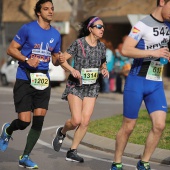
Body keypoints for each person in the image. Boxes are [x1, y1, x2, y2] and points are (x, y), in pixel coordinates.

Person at [0, 0, 61, 169]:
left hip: (43, 79)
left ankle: (25, 156)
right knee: (24, 121)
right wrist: (27, 59)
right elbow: (11, 49)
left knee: (39, 119)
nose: (50, 11)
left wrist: (59, 59)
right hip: (25, 78)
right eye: (46, 9)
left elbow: (55, 60)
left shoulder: (56, 34)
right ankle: (8, 130)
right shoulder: (27, 29)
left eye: (52, 9)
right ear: (39, 12)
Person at [110, 0, 170, 170]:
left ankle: (143, 162)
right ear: (162, 2)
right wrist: (153, 52)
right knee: (128, 126)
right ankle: (117, 162)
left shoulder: (168, 25)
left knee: (159, 125)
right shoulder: (142, 25)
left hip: (156, 82)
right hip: (137, 80)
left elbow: (162, 47)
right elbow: (126, 50)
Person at [52, 16, 109, 163]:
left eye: (103, 27)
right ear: (90, 28)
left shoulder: (102, 47)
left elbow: (103, 63)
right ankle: (62, 131)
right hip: (75, 85)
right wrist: (71, 70)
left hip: (92, 86)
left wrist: (104, 70)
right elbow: (62, 59)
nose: (102, 29)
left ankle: (72, 151)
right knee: (76, 120)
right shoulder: (79, 43)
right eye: (99, 26)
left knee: (85, 122)